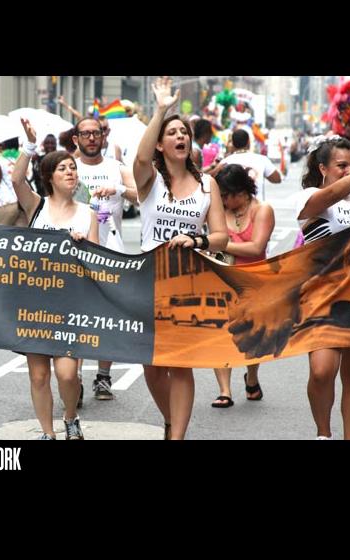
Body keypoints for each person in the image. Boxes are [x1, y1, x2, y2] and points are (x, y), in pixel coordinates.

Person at [133, 77, 228, 440]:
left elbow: (221, 236)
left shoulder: (207, 184)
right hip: (147, 280)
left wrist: (196, 239)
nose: (180, 137)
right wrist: (161, 110)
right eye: (172, 133)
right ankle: (171, 419)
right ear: (161, 143)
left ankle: (177, 436)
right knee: (153, 366)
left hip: (188, 281)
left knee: (181, 364)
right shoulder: (149, 180)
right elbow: (141, 158)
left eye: (184, 132)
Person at [11, 118, 98, 440]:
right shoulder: (37, 205)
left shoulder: (87, 213)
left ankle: (70, 415)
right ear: (49, 177)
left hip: (71, 304)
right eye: (63, 169)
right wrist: (29, 145)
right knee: (38, 376)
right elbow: (16, 179)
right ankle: (48, 433)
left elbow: (98, 262)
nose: (70, 173)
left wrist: (83, 246)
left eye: (73, 168)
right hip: (35, 302)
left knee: (67, 374)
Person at [295, 129, 350, 440]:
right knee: (321, 372)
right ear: (323, 169)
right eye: (341, 165)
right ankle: (324, 433)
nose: (348, 171)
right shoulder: (310, 199)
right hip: (323, 297)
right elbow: (326, 199)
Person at [71, 116, 138, 405]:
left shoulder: (117, 168)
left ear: (103, 136)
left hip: (110, 252)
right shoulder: (69, 167)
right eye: (85, 134)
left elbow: (141, 197)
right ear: (76, 139)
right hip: (76, 252)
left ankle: (103, 376)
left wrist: (118, 190)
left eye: (96, 133)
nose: (91, 138)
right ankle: (74, 379)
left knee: (107, 317)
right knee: (76, 317)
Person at [210, 164, 275, 408]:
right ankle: (224, 391)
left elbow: (256, 248)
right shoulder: (219, 210)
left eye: (226, 195)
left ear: (241, 191)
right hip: (223, 280)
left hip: (253, 283)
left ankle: (252, 377)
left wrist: (218, 243)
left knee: (252, 338)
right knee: (220, 335)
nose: (223, 200)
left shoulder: (262, 210)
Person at [213, 128, 282, 201]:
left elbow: (213, 183)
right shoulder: (262, 159)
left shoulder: (225, 162)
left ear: (233, 144)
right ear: (248, 142)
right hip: (257, 205)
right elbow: (277, 179)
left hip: (234, 205)